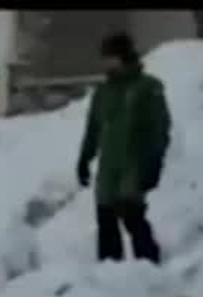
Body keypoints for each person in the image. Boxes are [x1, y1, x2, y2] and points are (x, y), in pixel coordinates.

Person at [76, 32, 172, 265]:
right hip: (109, 166)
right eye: (105, 58)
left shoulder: (147, 87)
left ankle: (149, 266)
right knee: (106, 218)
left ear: (124, 56)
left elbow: (159, 130)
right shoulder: (103, 93)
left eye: (111, 57)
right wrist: (84, 159)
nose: (106, 63)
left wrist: (153, 166)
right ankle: (110, 272)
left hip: (134, 163)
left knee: (132, 215)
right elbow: (93, 129)